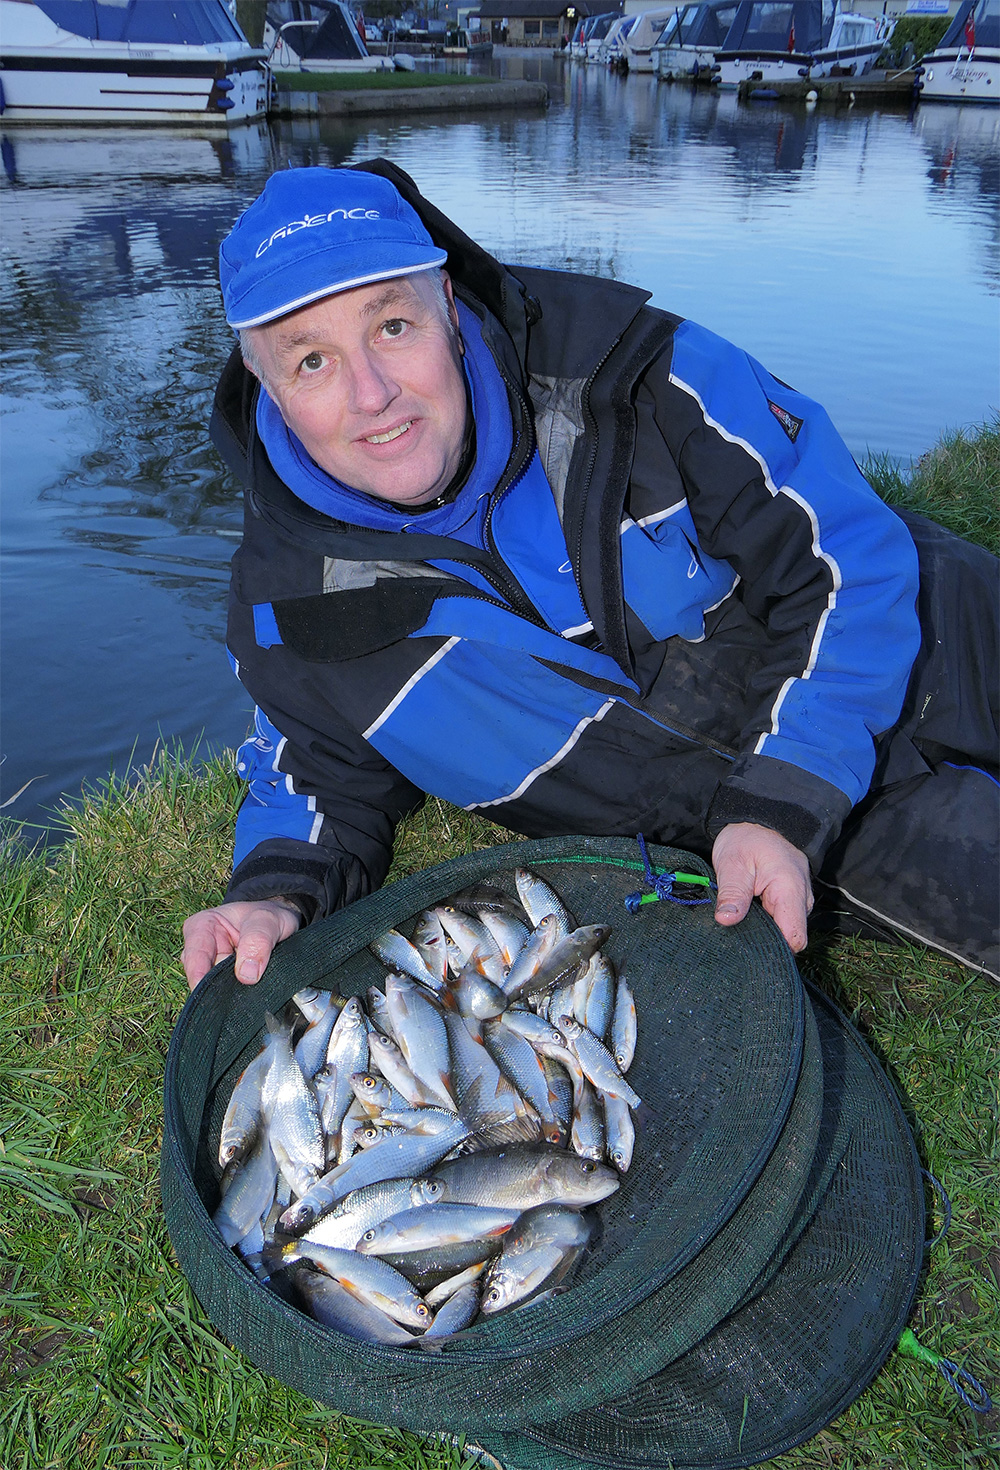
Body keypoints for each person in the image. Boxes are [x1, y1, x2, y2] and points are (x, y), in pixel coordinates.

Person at [181, 163, 999, 989]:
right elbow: (316, 769)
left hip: (936, 632)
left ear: (451, 311)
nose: (371, 395)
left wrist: (788, 790)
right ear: (268, 386)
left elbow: (845, 556)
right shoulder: (291, 610)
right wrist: (274, 894)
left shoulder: (636, 373)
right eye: (311, 361)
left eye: (392, 327)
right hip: (774, 824)